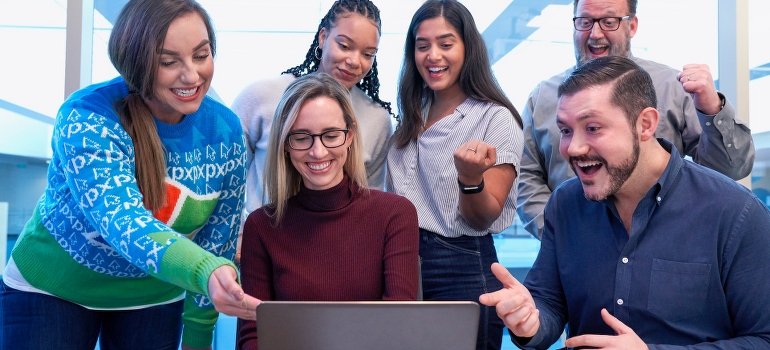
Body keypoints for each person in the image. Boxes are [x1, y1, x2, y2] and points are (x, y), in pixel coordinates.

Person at [0, 1, 260, 349]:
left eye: (201, 54)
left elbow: (219, 238)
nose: (192, 75)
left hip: (153, 295)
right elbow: (123, 221)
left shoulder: (224, 129)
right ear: (136, 62)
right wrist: (205, 269)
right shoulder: (87, 116)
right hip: (54, 288)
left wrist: (198, 337)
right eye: (169, 62)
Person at [480, 56, 770, 349]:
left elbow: (764, 339)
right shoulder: (566, 203)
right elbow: (549, 303)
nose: (573, 148)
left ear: (645, 124)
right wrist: (529, 321)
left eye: (592, 128)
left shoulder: (734, 212)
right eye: (565, 130)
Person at [516, 0, 755, 238]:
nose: (595, 34)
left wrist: (712, 111)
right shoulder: (543, 98)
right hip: (574, 256)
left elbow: (730, 170)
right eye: (585, 22)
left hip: (663, 247)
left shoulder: (674, 88)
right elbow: (526, 177)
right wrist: (560, 235)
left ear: (632, 26)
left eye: (609, 22)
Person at [236, 73, 419, 350]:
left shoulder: (394, 215)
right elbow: (253, 337)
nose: (318, 152)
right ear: (285, 145)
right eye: (301, 137)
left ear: (350, 136)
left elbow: (397, 326)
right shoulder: (261, 226)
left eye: (331, 135)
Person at [387, 1, 524, 349]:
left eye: (446, 44)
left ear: (468, 48)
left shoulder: (495, 119)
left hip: (460, 263)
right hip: (401, 260)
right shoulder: (411, 116)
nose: (433, 55)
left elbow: (482, 217)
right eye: (422, 46)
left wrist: (470, 179)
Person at [231, 0, 394, 215]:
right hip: (262, 237)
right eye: (345, 46)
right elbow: (228, 177)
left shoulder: (377, 119)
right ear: (323, 37)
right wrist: (242, 234)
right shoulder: (261, 96)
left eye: (368, 54)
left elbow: (367, 202)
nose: (355, 61)